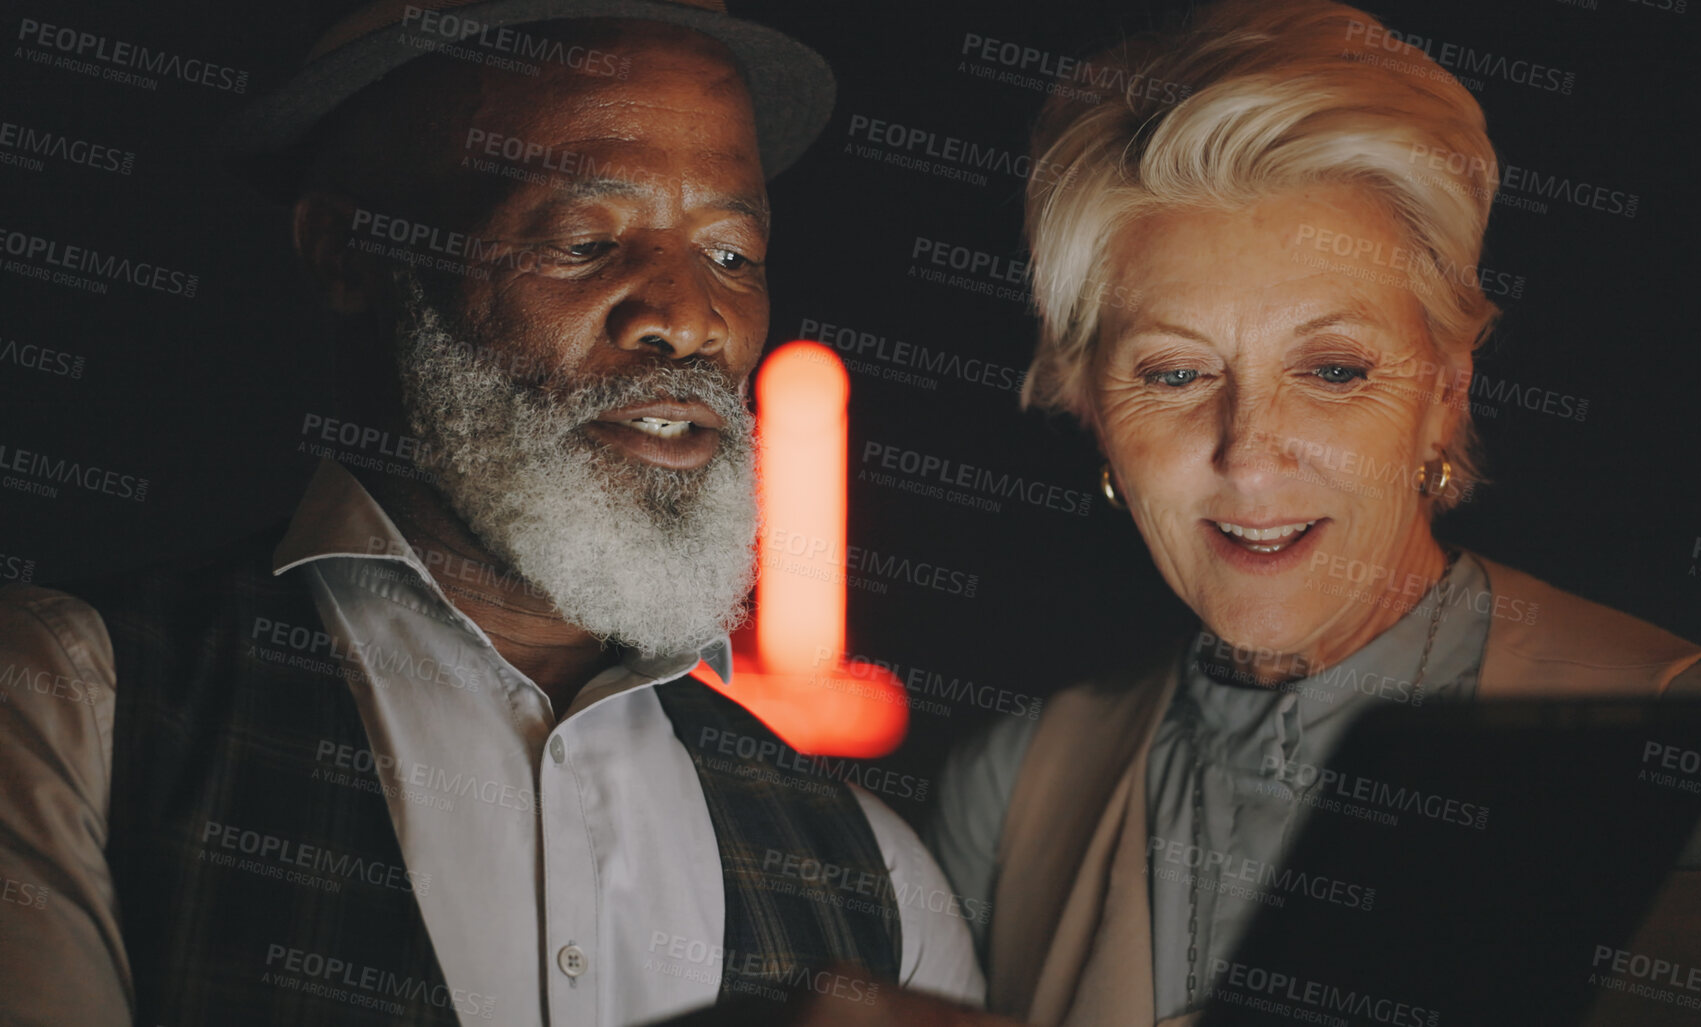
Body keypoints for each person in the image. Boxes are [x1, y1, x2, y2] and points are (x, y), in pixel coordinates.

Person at [924, 1, 1701, 1024]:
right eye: (1177, 372)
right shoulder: (1011, 789)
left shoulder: (1689, 734)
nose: (1249, 448)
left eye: (1333, 368)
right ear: (1092, 406)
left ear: (1444, 394)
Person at [0, 2, 989, 1025]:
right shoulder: (68, 710)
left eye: (733, 254)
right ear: (350, 252)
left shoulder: (877, 876)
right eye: (587, 239)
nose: (692, 317)